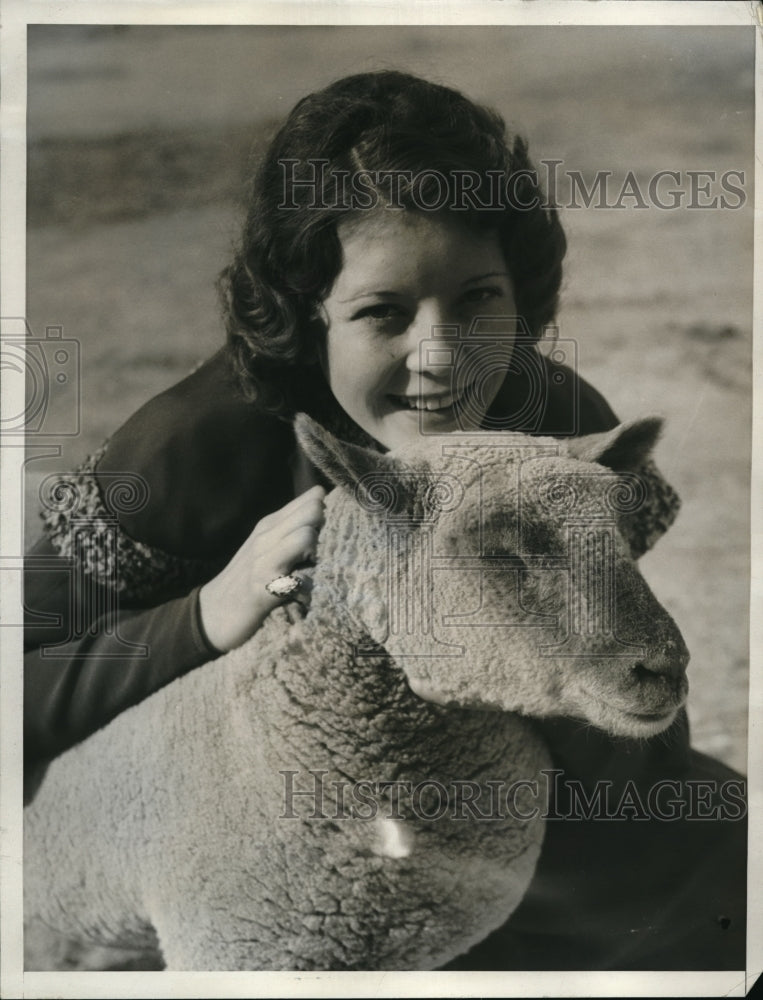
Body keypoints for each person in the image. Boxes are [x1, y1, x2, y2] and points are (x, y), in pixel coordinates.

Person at [23, 70, 746, 971]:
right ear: (305, 312)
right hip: (205, 852)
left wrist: (549, 664)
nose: (439, 355)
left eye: (479, 298)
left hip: (478, 831)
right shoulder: (194, 445)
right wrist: (204, 616)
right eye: (382, 312)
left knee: (718, 859)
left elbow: (640, 721)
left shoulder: (553, 435)